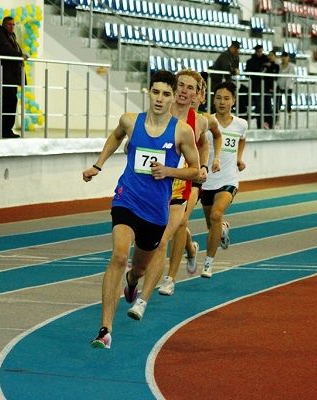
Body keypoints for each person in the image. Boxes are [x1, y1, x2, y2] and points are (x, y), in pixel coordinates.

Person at [83, 71, 200, 349]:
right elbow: (115, 137)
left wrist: (169, 171)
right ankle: (105, 330)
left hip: (156, 211)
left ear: (173, 97)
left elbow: (196, 170)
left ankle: (132, 280)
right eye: (155, 92)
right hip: (127, 198)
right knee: (119, 255)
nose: (160, 98)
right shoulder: (130, 121)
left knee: (138, 267)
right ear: (149, 92)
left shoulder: (182, 131)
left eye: (166, 94)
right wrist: (98, 165)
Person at [127, 70, 221, 319]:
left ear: (197, 94)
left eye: (190, 88)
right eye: (180, 85)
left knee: (166, 236)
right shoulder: (159, 110)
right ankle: (187, 250)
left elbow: (206, 142)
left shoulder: (199, 121)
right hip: (153, 185)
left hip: (182, 184)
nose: (183, 91)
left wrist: (204, 165)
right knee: (154, 237)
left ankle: (158, 287)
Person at [200, 81, 247, 278]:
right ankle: (222, 228)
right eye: (218, 98)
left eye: (226, 98)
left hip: (229, 179)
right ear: (213, 100)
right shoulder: (206, 121)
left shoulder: (241, 124)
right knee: (212, 225)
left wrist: (238, 158)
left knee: (216, 214)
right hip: (207, 180)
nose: (222, 102)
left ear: (233, 101)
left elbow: (242, 140)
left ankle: (208, 263)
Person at [0, 16, 28, 139]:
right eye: (9, 24)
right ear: (3, 24)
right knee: (7, 101)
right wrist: (20, 55)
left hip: (10, 75)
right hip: (4, 75)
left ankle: (5, 130)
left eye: (13, 24)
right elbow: (6, 50)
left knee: (10, 101)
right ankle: (2, 131)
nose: (12, 26)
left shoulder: (11, 36)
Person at [245, 46, 279, 129]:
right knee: (259, 107)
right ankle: (260, 125)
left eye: (261, 51)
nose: (260, 53)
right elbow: (248, 73)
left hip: (266, 87)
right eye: (258, 51)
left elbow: (273, 71)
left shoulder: (267, 60)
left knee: (268, 106)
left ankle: (269, 125)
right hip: (256, 87)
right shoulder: (251, 61)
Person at [276, 51, 295, 128]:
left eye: (285, 57)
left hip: (288, 87)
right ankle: (278, 120)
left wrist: (290, 85)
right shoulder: (279, 66)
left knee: (288, 103)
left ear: (288, 58)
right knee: (278, 103)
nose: (283, 58)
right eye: (282, 57)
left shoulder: (291, 66)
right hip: (280, 86)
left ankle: (289, 120)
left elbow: (293, 77)